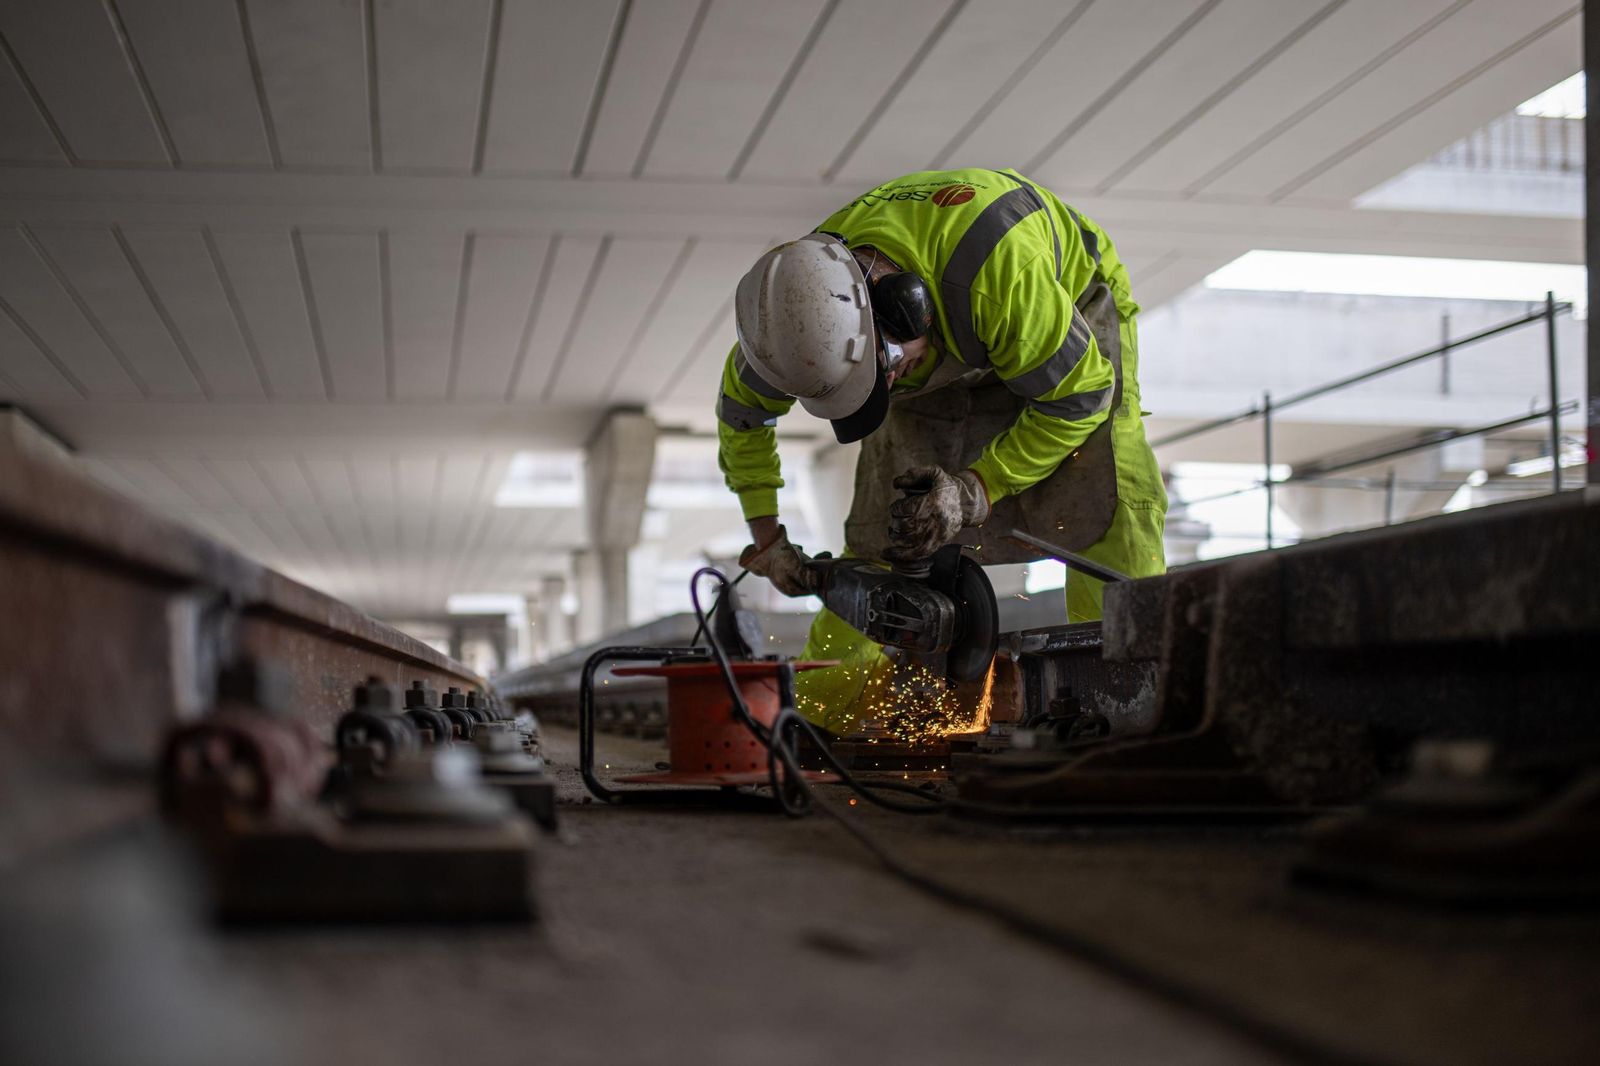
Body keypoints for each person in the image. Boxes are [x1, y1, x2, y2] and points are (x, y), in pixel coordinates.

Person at [715, 168, 1167, 733]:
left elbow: (1079, 400)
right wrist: (768, 540)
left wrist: (976, 489)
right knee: (891, 529)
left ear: (904, 307)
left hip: (1065, 316)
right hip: (952, 329)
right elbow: (742, 420)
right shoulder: (795, 330)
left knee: (1105, 504)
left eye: (888, 371)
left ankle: (1128, 703)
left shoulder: (1002, 278)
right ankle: (820, 721)